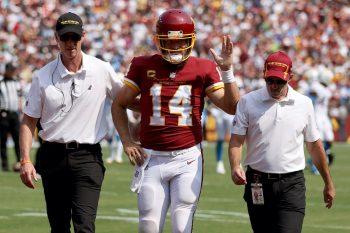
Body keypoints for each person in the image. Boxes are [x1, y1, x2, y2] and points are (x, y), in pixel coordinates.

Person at [111, 9, 240, 233]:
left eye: (181, 42)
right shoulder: (143, 65)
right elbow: (119, 103)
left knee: (181, 228)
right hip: (151, 157)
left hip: (187, 158)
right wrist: (127, 141)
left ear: (190, 41)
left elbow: (232, 107)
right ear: (159, 41)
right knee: (148, 227)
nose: (175, 47)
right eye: (169, 42)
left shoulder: (204, 67)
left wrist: (227, 70)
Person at [19, 12, 128, 233]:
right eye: (65, 37)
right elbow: (29, 120)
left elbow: (125, 100)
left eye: (74, 37)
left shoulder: (101, 69)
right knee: (58, 227)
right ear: (56, 39)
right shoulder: (42, 76)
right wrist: (25, 160)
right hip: (52, 157)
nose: (70, 43)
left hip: (88, 157)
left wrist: (157, 97)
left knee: (84, 226)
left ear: (83, 37)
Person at [228, 51, 335, 233]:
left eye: (280, 81)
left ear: (290, 78)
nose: (274, 85)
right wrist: (235, 166)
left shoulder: (304, 103)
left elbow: (314, 146)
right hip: (257, 182)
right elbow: (237, 140)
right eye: (270, 80)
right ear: (264, 75)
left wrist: (328, 182)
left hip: (292, 184)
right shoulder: (248, 102)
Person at [0, 62, 23, 172]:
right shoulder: (1, 83)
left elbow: (19, 97)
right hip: (3, 114)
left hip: (14, 114)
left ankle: (20, 162)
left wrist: (20, 109)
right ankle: (5, 165)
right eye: (12, 69)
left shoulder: (16, 83)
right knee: (3, 140)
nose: (13, 71)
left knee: (17, 139)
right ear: (7, 70)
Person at [208, 104, 234, 174]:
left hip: (231, 113)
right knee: (220, 139)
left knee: (234, 138)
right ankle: (219, 163)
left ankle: (235, 161)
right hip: (220, 112)